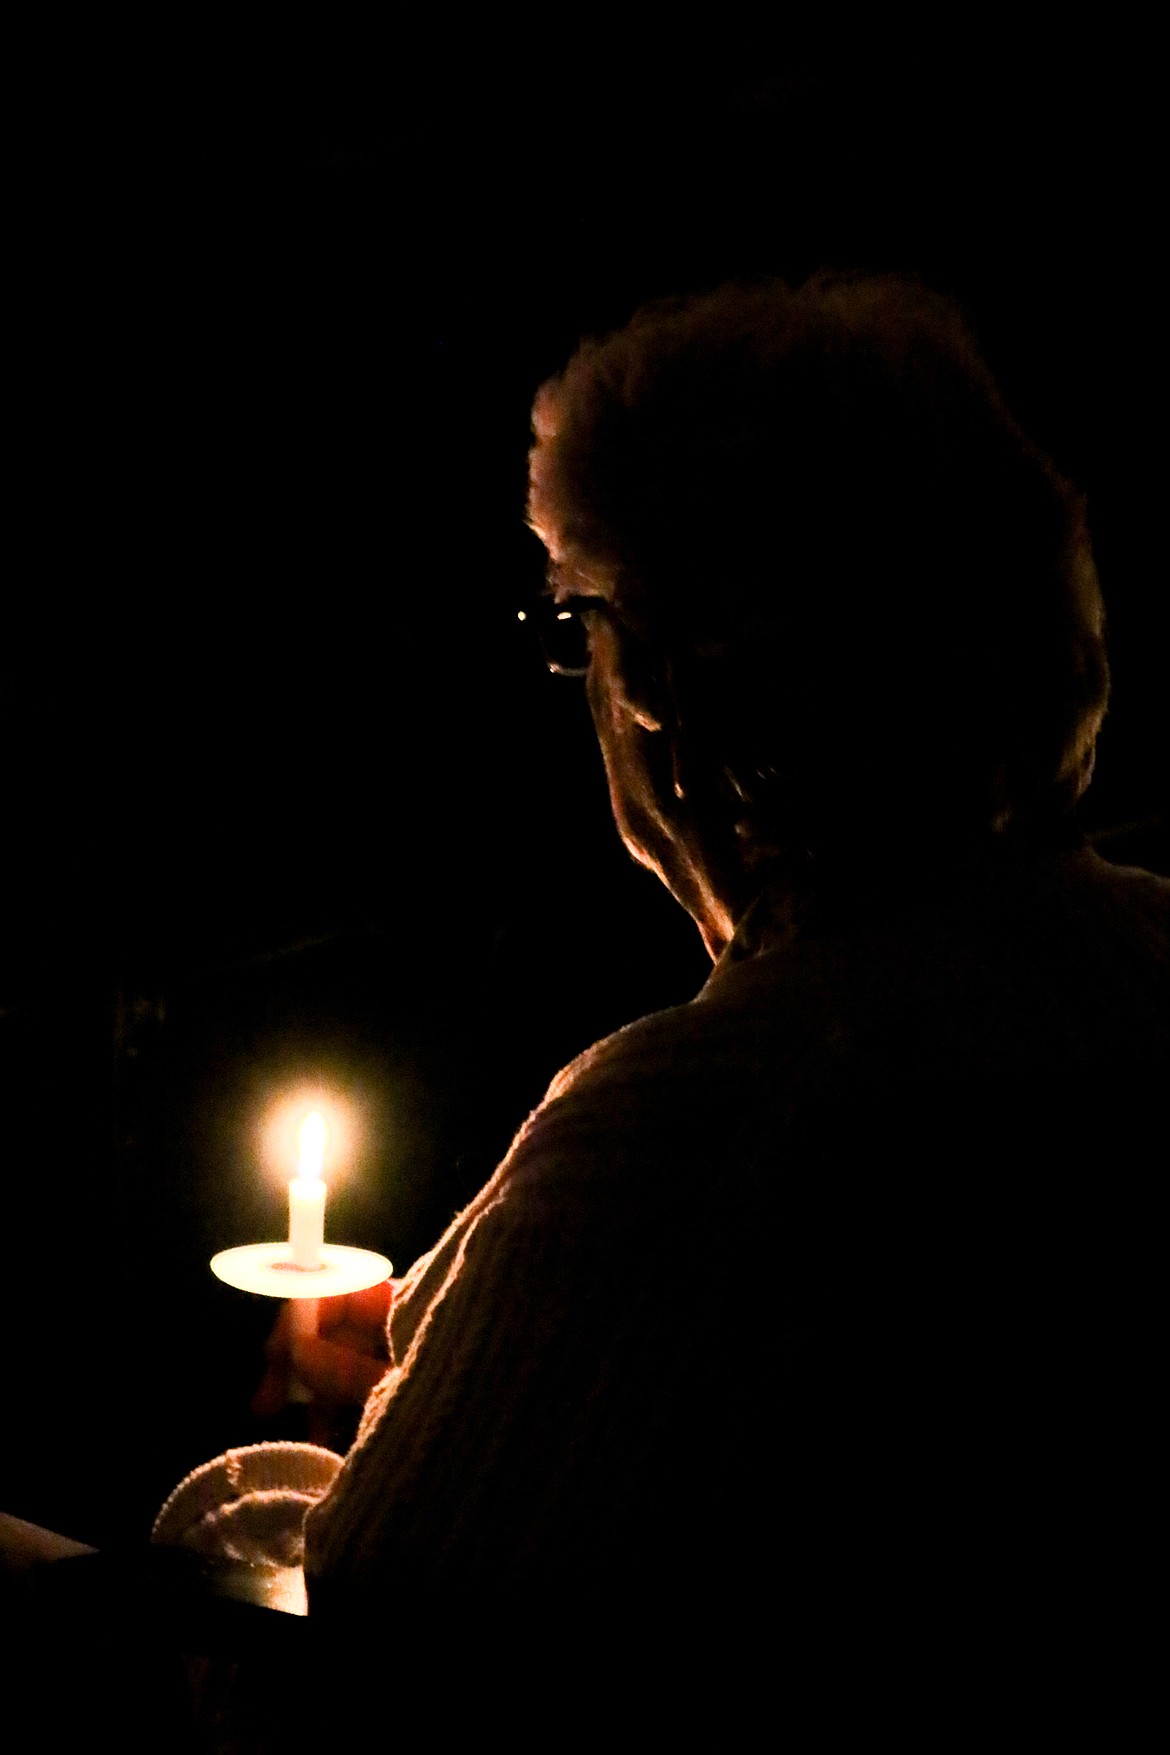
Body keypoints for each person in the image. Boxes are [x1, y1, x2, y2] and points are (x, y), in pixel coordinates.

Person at [190, 274, 1170, 1662]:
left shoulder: (705, 1120)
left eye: (572, 629)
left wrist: (284, 1492)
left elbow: (396, 1660)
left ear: (660, 689)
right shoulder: (1144, 958)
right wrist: (479, 1356)